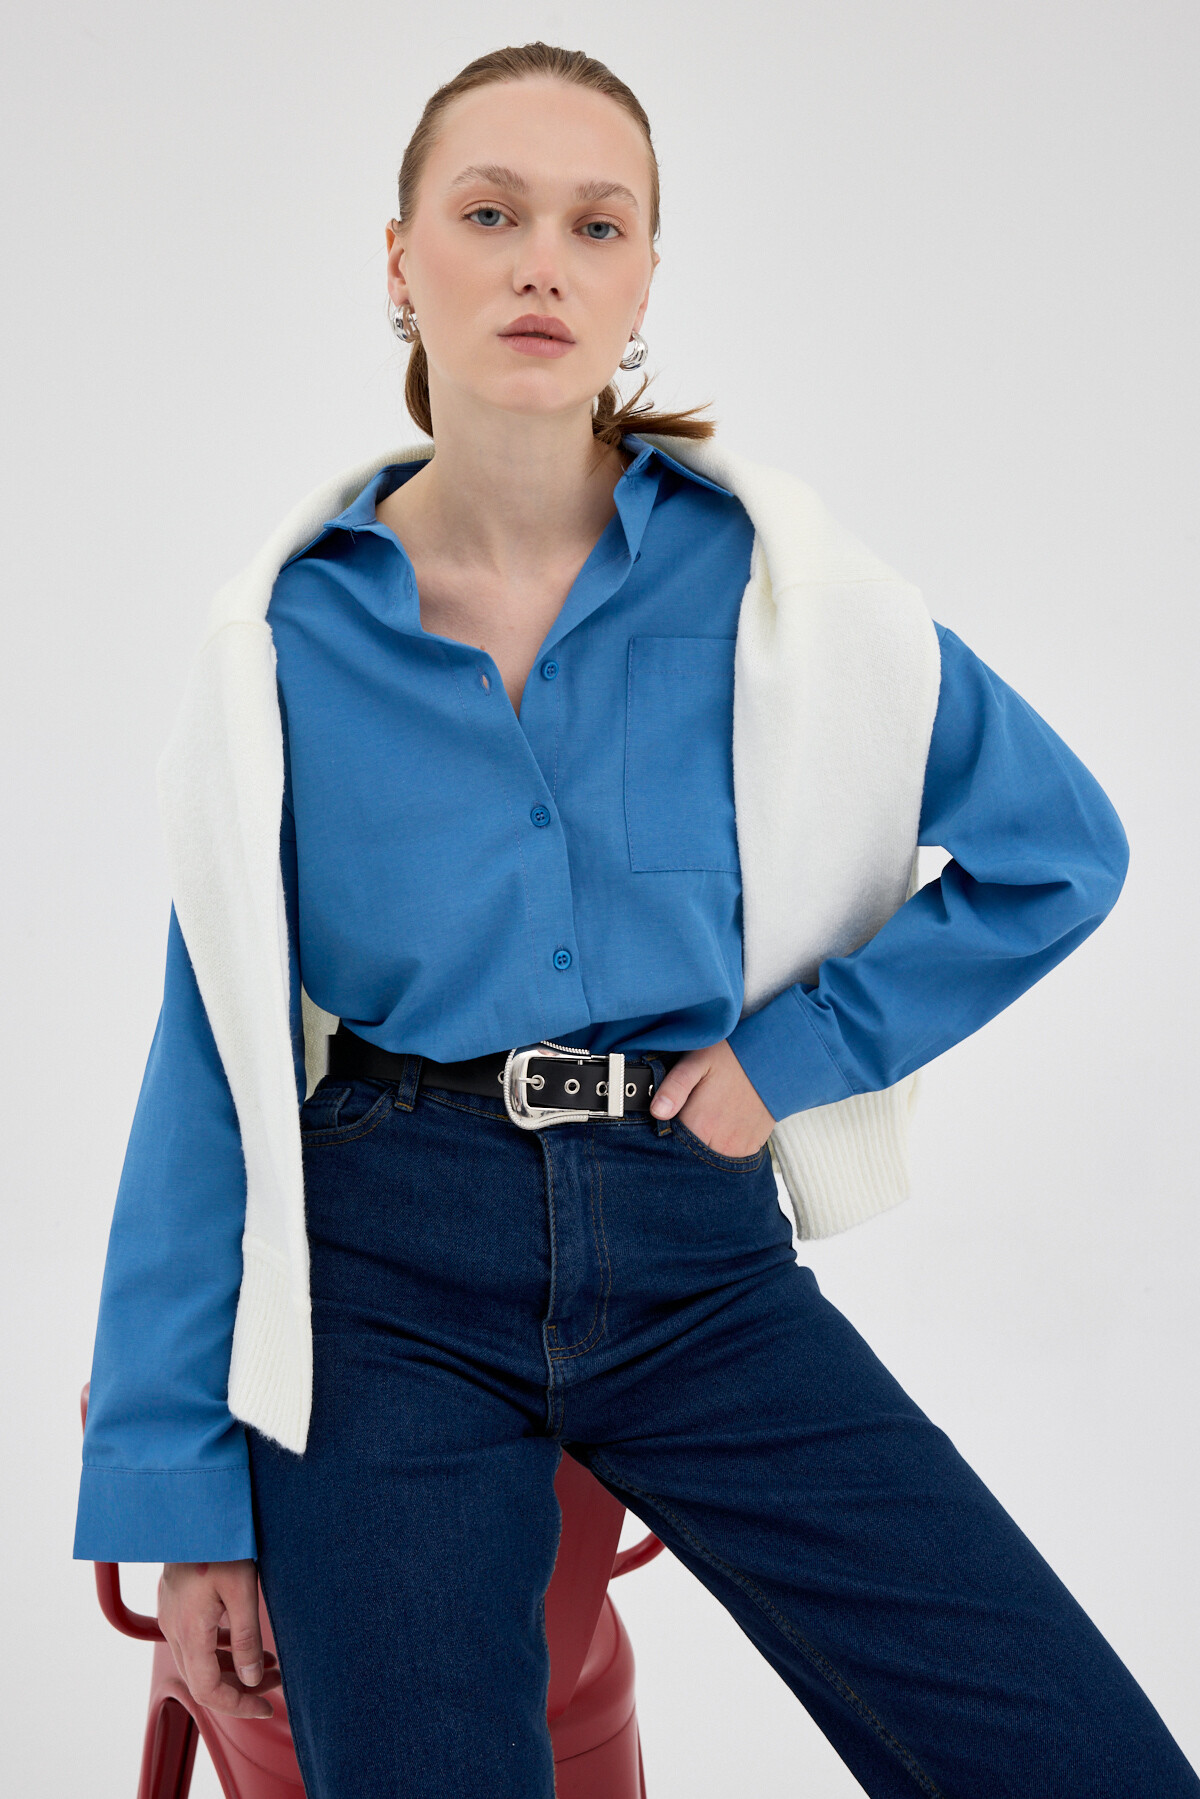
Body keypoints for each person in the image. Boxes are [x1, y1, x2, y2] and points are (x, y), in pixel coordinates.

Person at [74, 39, 1198, 1799]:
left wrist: (794, 1057)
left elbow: (1060, 850)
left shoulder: (778, 593)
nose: (543, 262)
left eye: (596, 226)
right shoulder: (285, 641)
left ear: (643, 281)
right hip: (382, 1286)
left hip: (695, 1251)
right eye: (490, 214)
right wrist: (181, 1495)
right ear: (398, 262)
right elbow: (209, 1066)